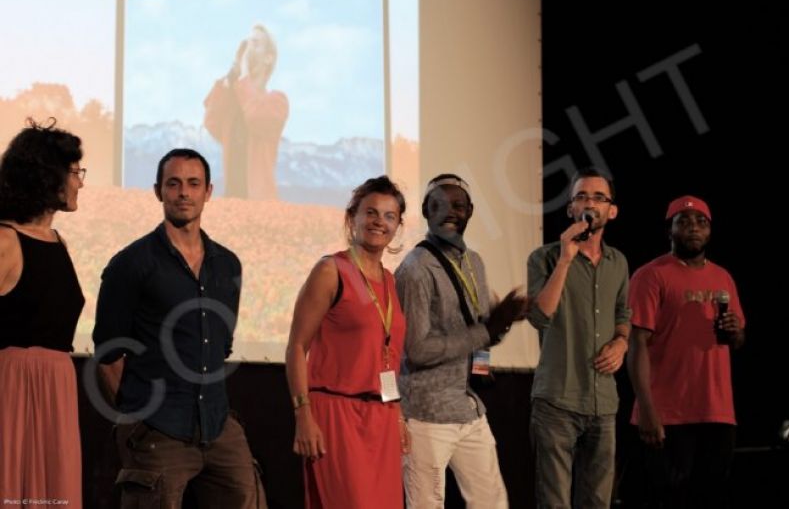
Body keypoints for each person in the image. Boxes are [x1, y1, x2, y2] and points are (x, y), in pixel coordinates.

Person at [92, 148, 266, 508]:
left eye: (193, 183)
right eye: (173, 184)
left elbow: (221, 346)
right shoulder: (131, 264)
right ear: (158, 191)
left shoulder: (227, 265)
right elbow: (108, 355)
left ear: (208, 192)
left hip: (217, 424)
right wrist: (135, 419)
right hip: (157, 429)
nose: (184, 192)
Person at [395, 173, 528, 508]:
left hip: (468, 407)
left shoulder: (474, 262)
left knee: (492, 502)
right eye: (439, 205)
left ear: (470, 211)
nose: (449, 212)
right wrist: (489, 329)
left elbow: (480, 331)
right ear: (425, 211)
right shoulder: (415, 269)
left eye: (458, 205)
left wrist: (498, 330)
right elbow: (416, 349)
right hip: (426, 413)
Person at [285, 175, 408, 509]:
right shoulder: (331, 270)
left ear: (398, 226)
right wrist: (303, 414)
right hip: (337, 417)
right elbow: (296, 347)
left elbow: (387, 358)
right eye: (371, 212)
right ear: (352, 217)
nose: (379, 222)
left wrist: (397, 415)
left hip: (382, 420)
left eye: (389, 216)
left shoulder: (390, 281)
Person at [627, 195, 745, 509]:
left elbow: (737, 341)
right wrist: (647, 410)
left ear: (710, 231)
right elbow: (636, 344)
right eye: (685, 221)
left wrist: (735, 331)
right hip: (668, 414)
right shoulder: (651, 275)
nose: (694, 228)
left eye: (701, 222)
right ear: (670, 230)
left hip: (717, 411)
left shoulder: (723, 277)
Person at [527, 166, 632, 508]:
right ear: (571, 208)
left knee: (598, 501)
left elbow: (623, 315)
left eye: (599, 197)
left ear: (612, 211)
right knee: (554, 501)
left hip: (603, 402)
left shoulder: (618, 262)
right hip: (557, 401)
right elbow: (539, 317)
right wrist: (565, 260)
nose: (590, 203)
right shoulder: (544, 258)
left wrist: (621, 342)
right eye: (582, 197)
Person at [0, 119, 86, 506]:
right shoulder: (5, 240)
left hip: (56, 388)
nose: (80, 183)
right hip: (14, 389)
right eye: (75, 172)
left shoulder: (57, 241)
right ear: (48, 176)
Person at [204, 24, 289, 200]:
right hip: (232, 202)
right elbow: (211, 121)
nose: (248, 49)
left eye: (255, 44)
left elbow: (255, 117)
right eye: (247, 43)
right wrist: (232, 75)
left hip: (261, 203)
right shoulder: (235, 105)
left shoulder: (277, 102)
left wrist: (244, 76)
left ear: (268, 58)